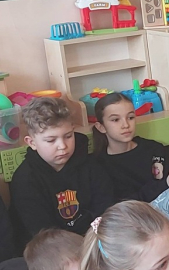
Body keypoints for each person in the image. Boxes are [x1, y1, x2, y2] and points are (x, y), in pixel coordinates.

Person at [10, 97, 114, 244]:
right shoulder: (25, 179)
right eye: (51, 140)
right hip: (50, 248)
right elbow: (42, 232)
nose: (63, 146)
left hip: (94, 240)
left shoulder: (91, 165)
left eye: (68, 136)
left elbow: (105, 209)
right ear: (32, 142)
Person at [92, 92, 169, 203]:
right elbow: (123, 204)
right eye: (116, 120)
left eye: (130, 117)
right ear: (101, 127)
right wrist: (165, 184)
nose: (126, 125)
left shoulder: (154, 149)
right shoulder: (99, 165)